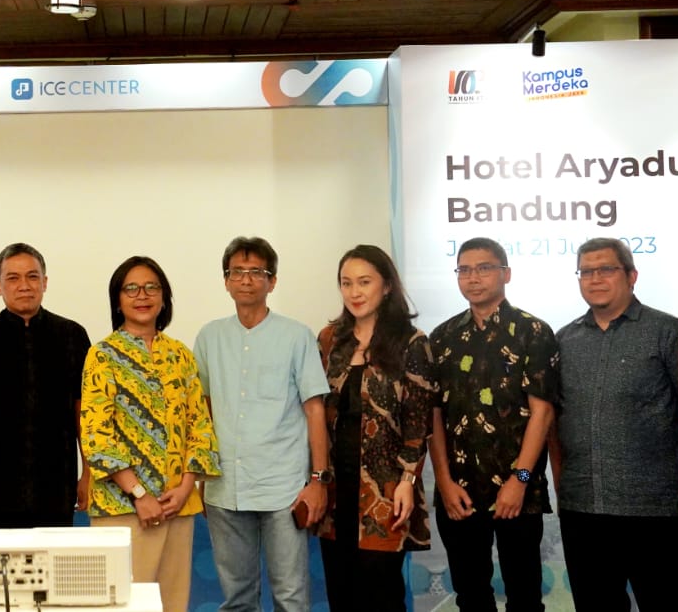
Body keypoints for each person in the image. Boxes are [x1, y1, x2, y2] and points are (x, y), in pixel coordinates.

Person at [550, 237, 678, 612]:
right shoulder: (563, 340)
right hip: (583, 508)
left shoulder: (668, 332)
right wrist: (561, 482)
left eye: (606, 269)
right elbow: (553, 421)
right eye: (586, 271)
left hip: (655, 509)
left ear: (632, 276)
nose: (595, 278)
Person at [193, 236, 331, 612]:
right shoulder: (209, 337)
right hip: (225, 487)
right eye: (237, 271)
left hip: (284, 488)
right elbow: (202, 411)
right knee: (237, 599)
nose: (246, 279)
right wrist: (201, 478)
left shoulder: (296, 336)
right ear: (226, 281)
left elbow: (315, 411)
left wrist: (318, 480)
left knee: (291, 596)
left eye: (257, 271)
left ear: (272, 281)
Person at [81, 256, 221, 612]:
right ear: (117, 300)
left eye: (151, 288)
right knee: (120, 604)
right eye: (131, 289)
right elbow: (96, 434)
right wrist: (139, 494)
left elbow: (200, 424)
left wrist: (187, 487)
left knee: (172, 603)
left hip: (177, 504)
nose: (141, 296)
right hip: (121, 507)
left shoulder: (181, 355)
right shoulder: (102, 355)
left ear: (164, 297)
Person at [429, 236, 558, 612]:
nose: (473, 277)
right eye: (464, 270)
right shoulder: (442, 337)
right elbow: (433, 415)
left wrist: (519, 480)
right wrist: (444, 482)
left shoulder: (533, 332)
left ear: (506, 274)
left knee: (524, 597)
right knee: (471, 597)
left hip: (518, 492)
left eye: (484, 268)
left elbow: (542, 414)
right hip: (459, 493)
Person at [315, 245, 433, 612]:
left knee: (381, 597)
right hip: (335, 492)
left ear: (387, 286)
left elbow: (418, 423)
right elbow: (314, 413)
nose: (354, 292)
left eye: (364, 282)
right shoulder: (329, 340)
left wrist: (408, 480)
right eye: (346, 283)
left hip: (387, 492)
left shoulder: (411, 342)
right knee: (341, 595)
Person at [0, 242, 91, 528]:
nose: (24, 285)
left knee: (54, 557)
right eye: (13, 278)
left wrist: (88, 473)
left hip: (56, 486)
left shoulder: (72, 336)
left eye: (32, 276)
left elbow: (83, 413)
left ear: (45, 282)